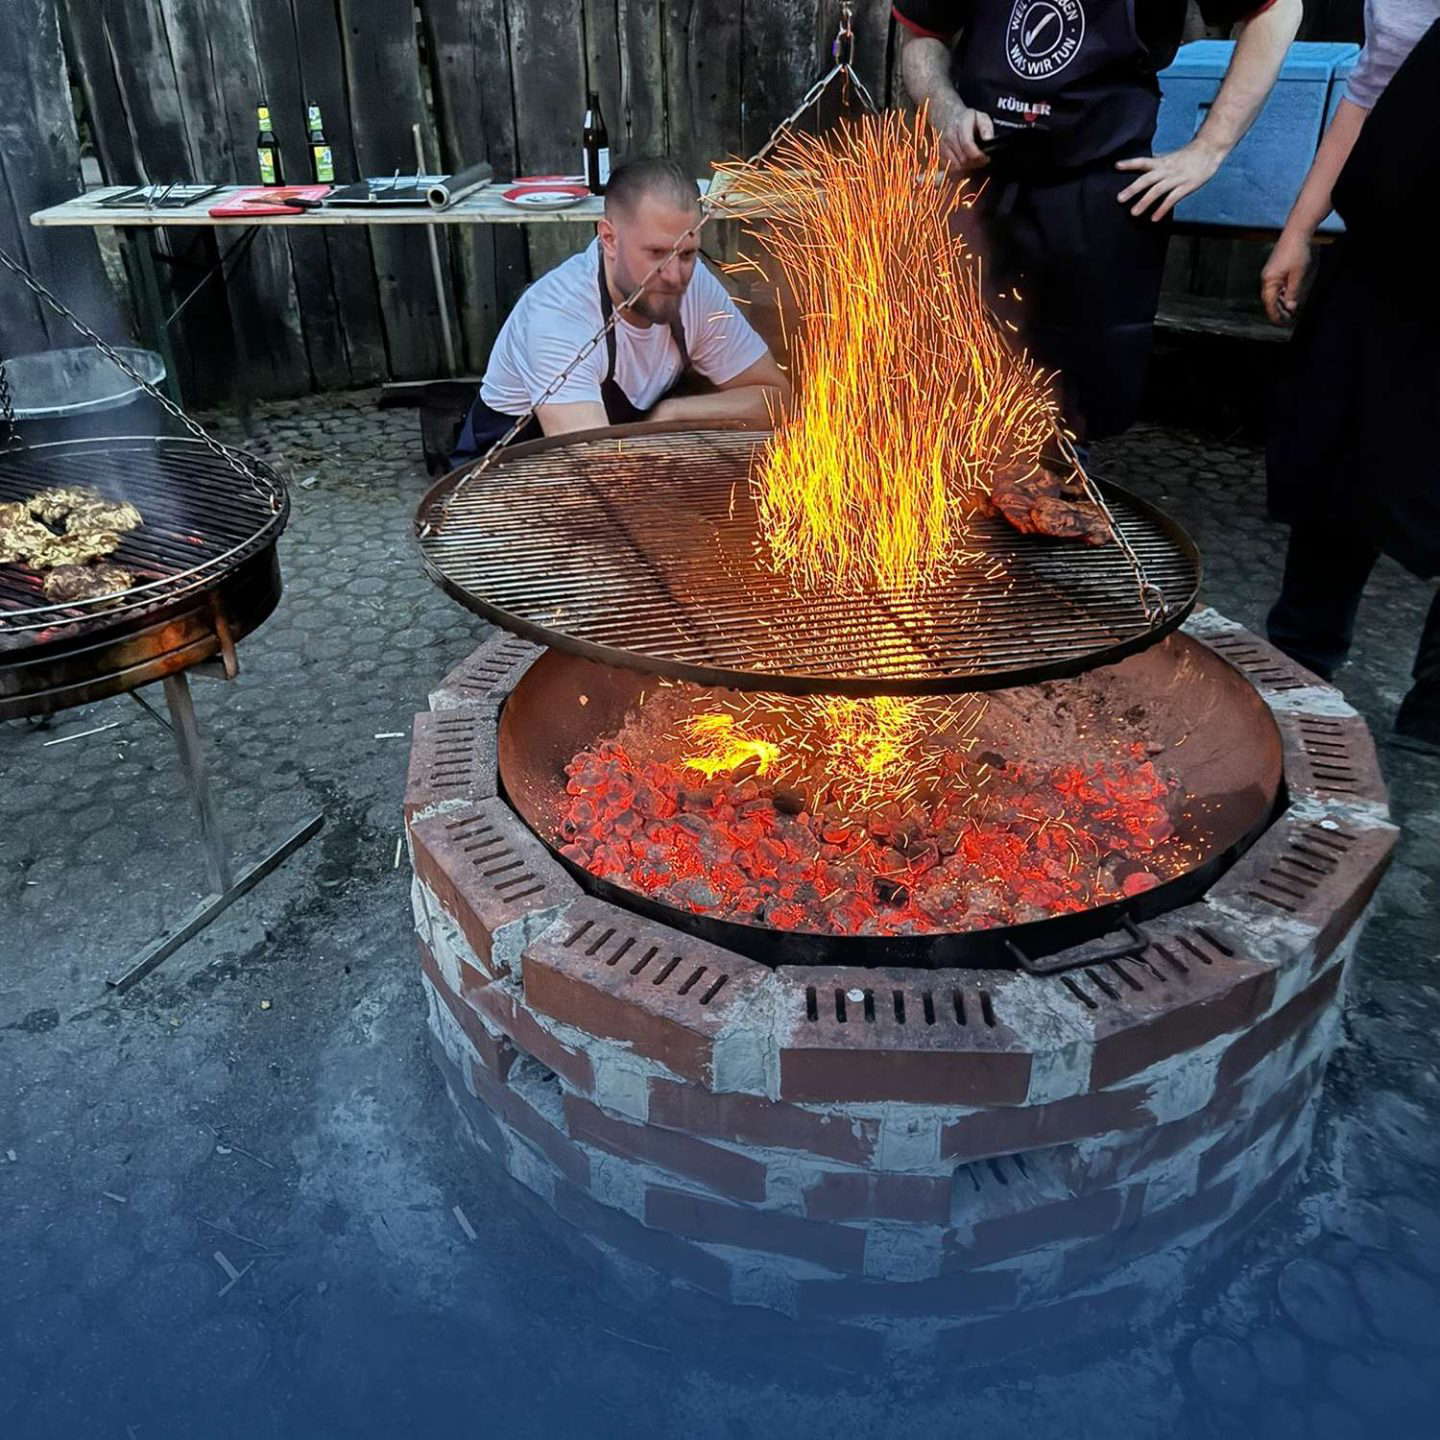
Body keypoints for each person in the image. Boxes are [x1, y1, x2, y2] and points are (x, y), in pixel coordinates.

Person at [894, 0, 1301, 443]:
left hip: (1097, 199)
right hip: (981, 188)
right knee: (942, 393)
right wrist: (947, 113)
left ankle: (1055, 488)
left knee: (1070, 419)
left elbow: (1277, 10)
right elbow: (922, 35)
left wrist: (1210, 148)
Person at [1262, 6, 1440, 752]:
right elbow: (1368, 92)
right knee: (1336, 473)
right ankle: (1295, 673)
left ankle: (1434, 719)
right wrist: (1301, 226)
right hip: (1385, 270)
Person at [452, 157, 790, 466]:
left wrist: (672, 414)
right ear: (609, 239)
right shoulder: (557, 316)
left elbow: (779, 400)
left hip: (624, 451)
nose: (675, 277)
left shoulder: (695, 285)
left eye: (686, 255)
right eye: (656, 252)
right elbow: (598, 465)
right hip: (508, 475)